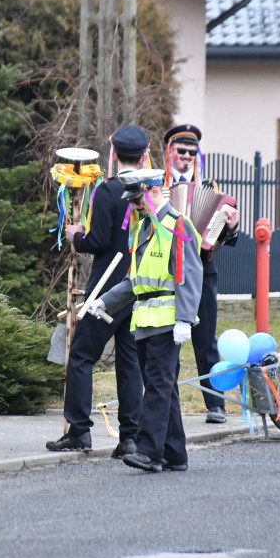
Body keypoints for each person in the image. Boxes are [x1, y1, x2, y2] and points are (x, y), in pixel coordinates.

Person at [86, 168, 203, 472]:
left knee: (157, 386)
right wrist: (104, 300)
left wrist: (185, 320)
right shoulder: (144, 228)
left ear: (153, 192)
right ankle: (175, 453)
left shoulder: (178, 226)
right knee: (162, 385)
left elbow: (190, 275)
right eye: (133, 202)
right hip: (145, 321)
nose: (134, 206)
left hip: (167, 322)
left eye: (137, 200)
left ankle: (149, 451)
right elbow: (133, 280)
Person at [46, 125, 147, 457]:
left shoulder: (106, 191)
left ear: (113, 154)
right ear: (145, 156)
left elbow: (98, 241)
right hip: (138, 288)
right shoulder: (149, 192)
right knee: (129, 363)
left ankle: (79, 431)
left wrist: (76, 234)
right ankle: (129, 438)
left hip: (106, 291)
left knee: (81, 356)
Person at [163, 124, 240, 424]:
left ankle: (215, 404)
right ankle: (170, 406)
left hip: (204, 271)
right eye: (181, 151)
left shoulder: (209, 186)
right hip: (170, 273)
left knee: (206, 341)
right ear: (169, 151)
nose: (186, 157)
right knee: (167, 341)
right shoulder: (159, 186)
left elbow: (226, 238)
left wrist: (231, 226)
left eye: (192, 153)